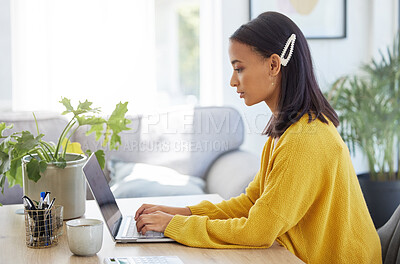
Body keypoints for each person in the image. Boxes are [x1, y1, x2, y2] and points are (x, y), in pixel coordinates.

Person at [134, 11, 382, 263]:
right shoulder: (287, 130)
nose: (233, 81)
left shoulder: (304, 139)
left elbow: (258, 231)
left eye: (239, 68)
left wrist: (173, 225)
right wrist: (180, 213)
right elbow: (252, 203)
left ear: (274, 65)